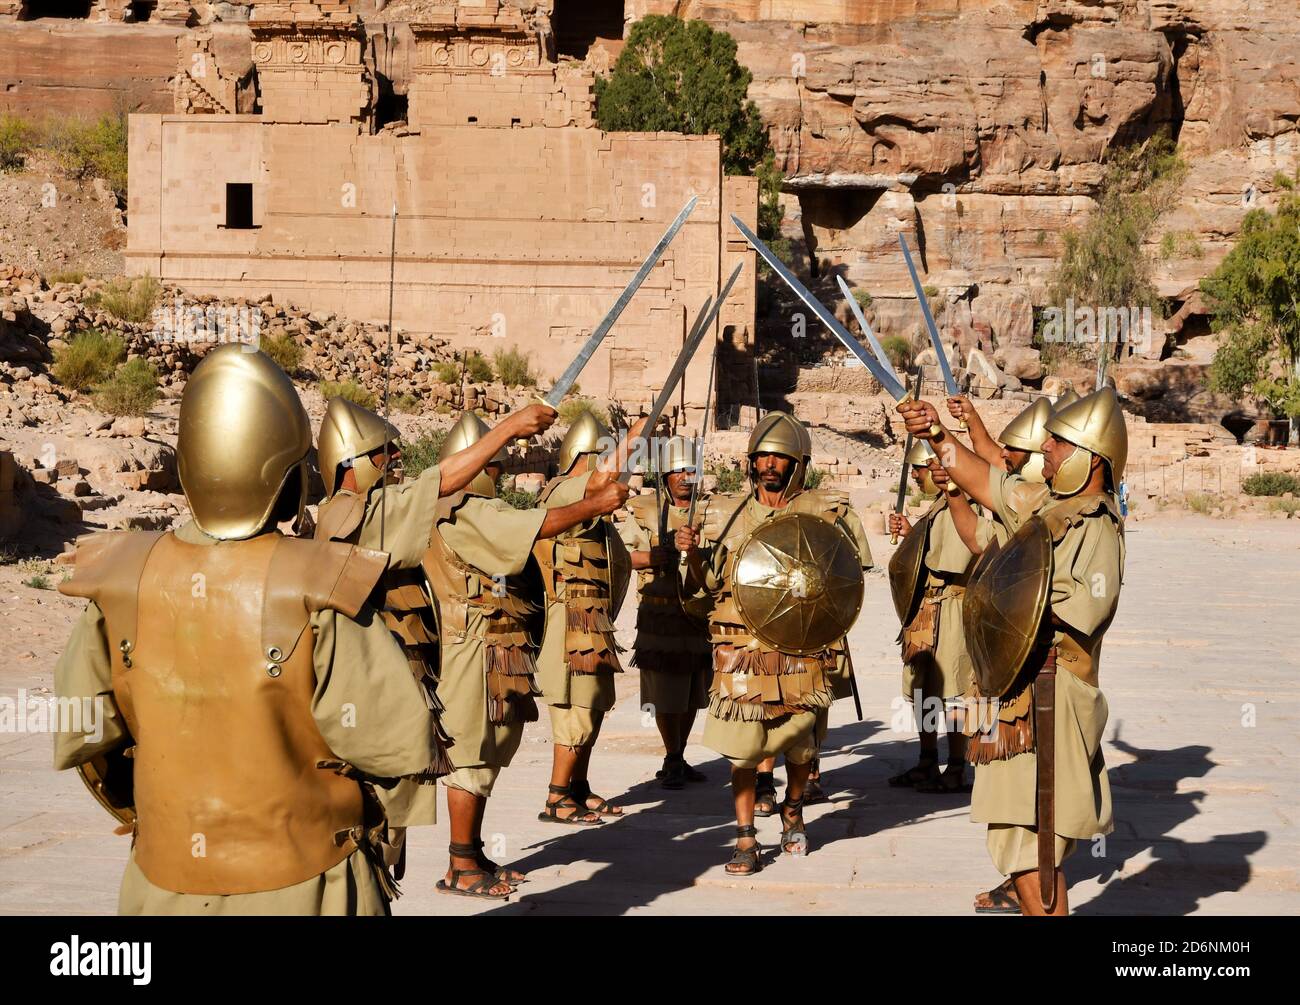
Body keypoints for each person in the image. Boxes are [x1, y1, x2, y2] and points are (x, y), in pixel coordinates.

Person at [53, 345, 439, 915]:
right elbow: (394, 748)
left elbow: (85, 736)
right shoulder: (321, 583)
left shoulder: (119, 578)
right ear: (286, 472)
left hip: (163, 883)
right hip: (309, 882)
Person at [898, 387, 1127, 916]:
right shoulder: (1044, 503)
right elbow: (984, 480)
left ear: (1091, 459)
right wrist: (935, 432)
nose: (1045, 448)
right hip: (1013, 687)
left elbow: (1081, 611)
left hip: (1050, 690)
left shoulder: (1094, 523)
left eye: (1058, 444)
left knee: (1035, 843)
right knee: (1019, 834)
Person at [313, 395, 557, 876]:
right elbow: (440, 481)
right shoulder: (358, 515)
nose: (396, 461)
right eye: (384, 454)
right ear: (349, 466)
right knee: (373, 834)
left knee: (383, 834)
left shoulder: (354, 513)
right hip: (368, 698)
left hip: (386, 691)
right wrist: (507, 429)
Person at [423, 411, 630, 897]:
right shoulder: (468, 509)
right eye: (495, 466)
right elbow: (541, 523)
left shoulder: (452, 507)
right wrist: (597, 501)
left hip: (489, 648)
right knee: (471, 757)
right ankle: (460, 865)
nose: (498, 476)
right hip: (470, 650)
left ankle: (471, 855)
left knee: (486, 751)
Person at [676, 412, 870, 874]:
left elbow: (847, 576)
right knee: (743, 748)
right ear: (750, 461)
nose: (769, 464)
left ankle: (794, 808)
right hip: (742, 650)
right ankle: (745, 838)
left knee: (801, 745)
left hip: (801, 650)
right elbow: (704, 589)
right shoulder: (725, 513)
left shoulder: (824, 511)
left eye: (779, 457)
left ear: (797, 463)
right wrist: (695, 556)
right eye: (762, 455)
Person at [534, 411, 642, 825]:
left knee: (592, 707)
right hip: (569, 626)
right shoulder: (562, 493)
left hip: (592, 624)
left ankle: (577, 786)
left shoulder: (592, 511)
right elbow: (598, 483)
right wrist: (635, 437)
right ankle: (557, 796)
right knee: (574, 710)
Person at [887, 440, 995, 794]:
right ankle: (927, 760)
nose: (917, 476)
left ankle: (957, 766)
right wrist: (910, 533)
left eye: (921, 469)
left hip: (951, 608)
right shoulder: (936, 507)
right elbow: (926, 551)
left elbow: (948, 560)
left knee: (954, 692)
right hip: (926, 610)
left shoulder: (961, 508)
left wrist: (917, 542)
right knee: (924, 691)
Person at [620, 436, 713, 789]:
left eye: (692, 469)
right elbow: (620, 555)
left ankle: (679, 754)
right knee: (663, 692)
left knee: (691, 690)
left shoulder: (711, 510)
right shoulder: (646, 510)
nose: (687, 476)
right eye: (679, 471)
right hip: (658, 615)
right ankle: (671, 754)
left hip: (696, 615)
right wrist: (652, 557)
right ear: (667, 476)